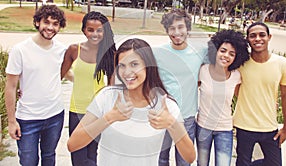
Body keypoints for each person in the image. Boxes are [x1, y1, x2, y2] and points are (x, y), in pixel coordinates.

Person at [67, 38, 196, 166]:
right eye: (122, 65)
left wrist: (172, 124)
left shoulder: (165, 105)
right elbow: (73, 144)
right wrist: (109, 118)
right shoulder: (106, 97)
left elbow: (190, 157)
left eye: (134, 64)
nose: (127, 72)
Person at [4, 5, 66, 165]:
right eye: (47, 22)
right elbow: (10, 87)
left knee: (49, 157)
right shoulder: (20, 50)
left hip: (55, 116)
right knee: (28, 161)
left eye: (55, 24)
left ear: (60, 26)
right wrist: (11, 121)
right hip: (28, 119)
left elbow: (67, 74)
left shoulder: (61, 50)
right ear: (38, 22)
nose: (50, 27)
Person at [233, 22, 286, 166]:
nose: (257, 39)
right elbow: (236, 89)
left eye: (262, 35)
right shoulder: (241, 63)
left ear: (269, 37)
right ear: (248, 39)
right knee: (242, 163)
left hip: (270, 128)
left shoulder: (282, 63)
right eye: (252, 36)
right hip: (244, 127)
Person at [152, 9, 208, 166]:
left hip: (187, 118)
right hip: (162, 115)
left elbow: (225, 59)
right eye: (172, 28)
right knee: (160, 160)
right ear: (167, 31)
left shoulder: (200, 52)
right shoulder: (158, 52)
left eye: (180, 27)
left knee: (184, 161)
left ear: (187, 28)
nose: (176, 32)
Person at [60, 11, 116, 166]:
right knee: (78, 156)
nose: (95, 34)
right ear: (83, 29)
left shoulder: (109, 53)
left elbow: (112, 86)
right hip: (77, 111)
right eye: (90, 29)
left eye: (99, 30)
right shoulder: (73, 50)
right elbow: (59, 76)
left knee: (92, 155)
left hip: (98, 112)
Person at [196, 30, 249, 166]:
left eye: (231, 54)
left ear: (236, 58)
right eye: (223, 51)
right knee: (202, 163)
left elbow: (242, 99)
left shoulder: (236, 76)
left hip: (225, 129)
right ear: (216, 50)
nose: (226, 56)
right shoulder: (203, 71)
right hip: (203, 127)